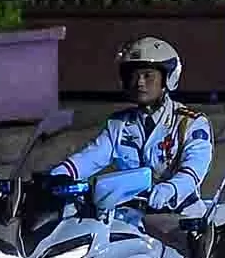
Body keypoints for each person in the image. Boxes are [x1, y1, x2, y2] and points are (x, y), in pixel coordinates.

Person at [52, 37, 215, 215]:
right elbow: (90, 157)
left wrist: (171, 188)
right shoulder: (119, 124)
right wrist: (56, 176)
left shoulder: (190, 122)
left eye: (148, 75)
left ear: (168, 78)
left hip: (179, 217)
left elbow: (195, 167)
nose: (139, 82)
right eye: (133, 75)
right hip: (130, 218)